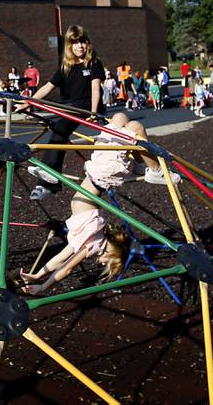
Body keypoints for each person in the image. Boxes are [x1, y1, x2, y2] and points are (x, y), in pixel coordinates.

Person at [18, 113, 179, 296]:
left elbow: (59, 260)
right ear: (113, 252)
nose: (101, 263)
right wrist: (42, 287)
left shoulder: (82, 242)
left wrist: (38, 275)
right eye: (108, 262)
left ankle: (144, 164)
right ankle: (155, 170)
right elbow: (67, 269)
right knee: (133, 129)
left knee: (124, 121)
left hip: (99, 172)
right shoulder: (93, 245)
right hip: (103, 173)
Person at [17, 25, 104, 201]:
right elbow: (48, 86)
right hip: (69, 106)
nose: (80, 46)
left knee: (60, 128)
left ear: (88, 43)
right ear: (69, 46)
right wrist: (28, 102)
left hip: (85, 106)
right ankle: (49, 181)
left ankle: (48, 174)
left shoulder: (94, 63)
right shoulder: (66, 66)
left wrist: (94, 112)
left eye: (83, 42)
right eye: (75, 43)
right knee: (58, 133)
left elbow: (96, 87)